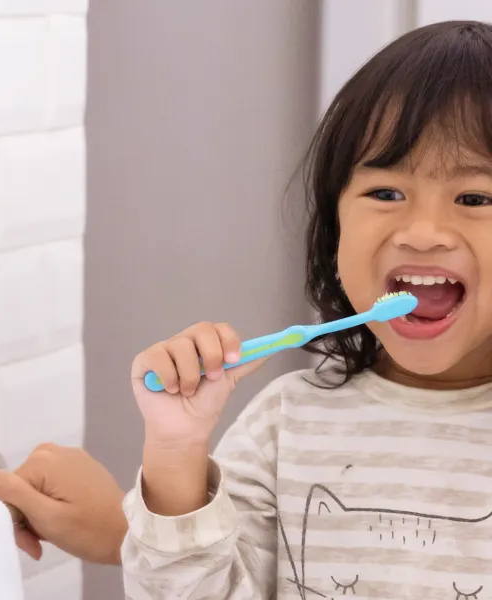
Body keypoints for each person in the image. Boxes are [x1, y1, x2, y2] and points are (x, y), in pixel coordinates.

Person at [119, 20, 492, 600]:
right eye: (385, 194)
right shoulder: (285, 425)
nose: (423, 232)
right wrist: (175, 451)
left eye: (475, 198)